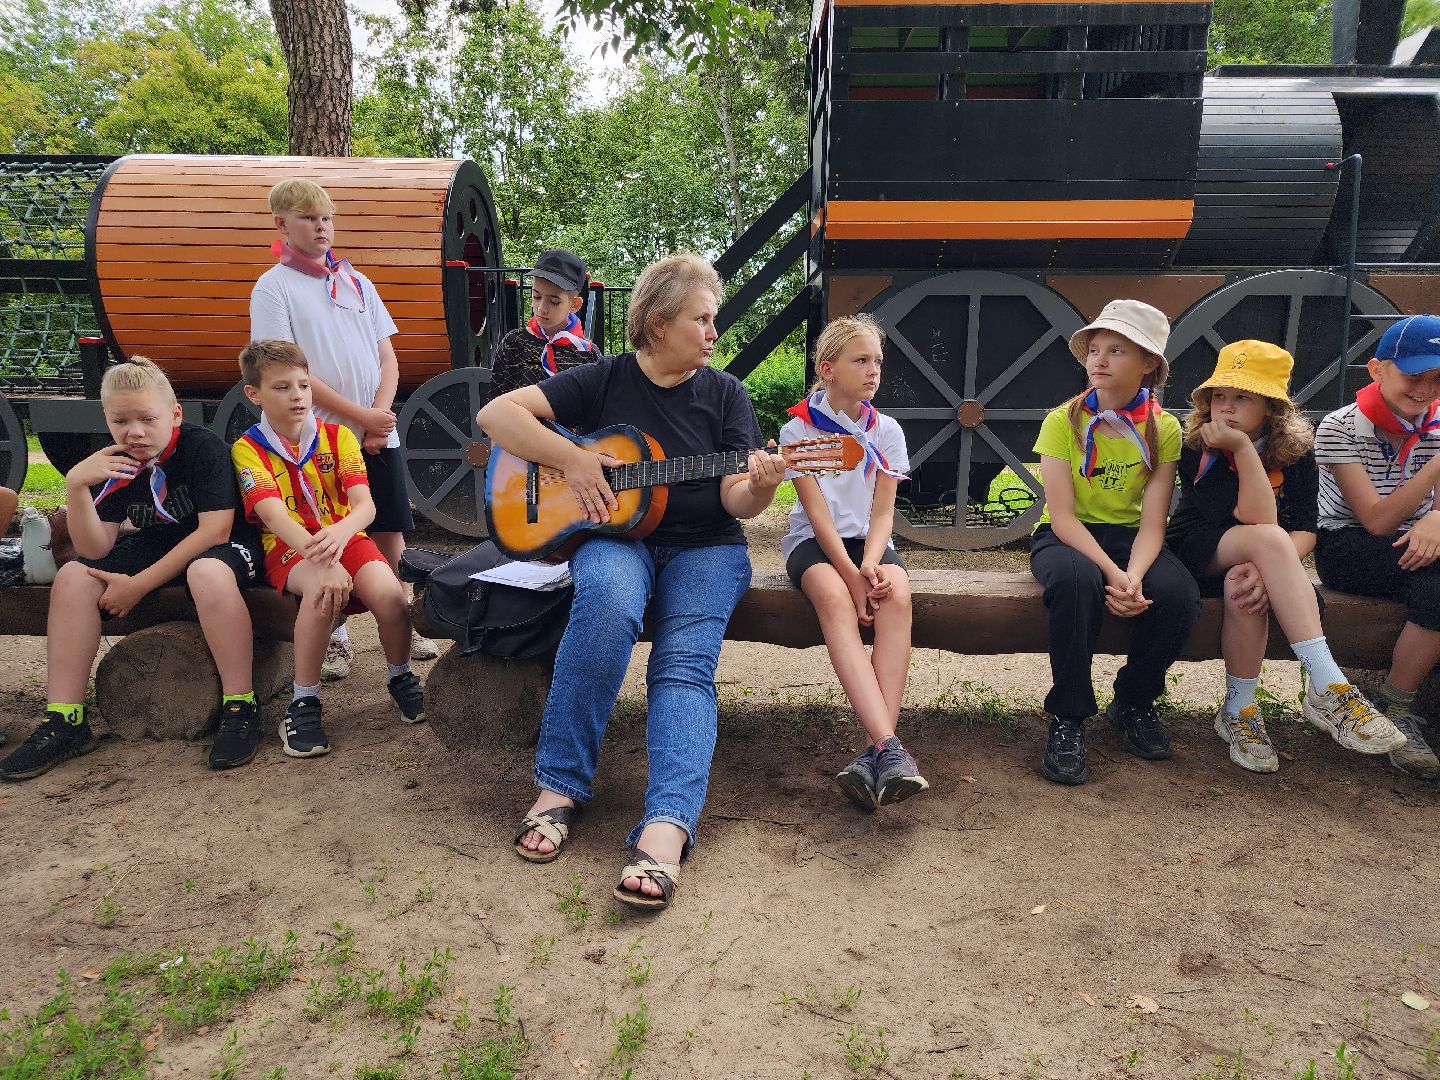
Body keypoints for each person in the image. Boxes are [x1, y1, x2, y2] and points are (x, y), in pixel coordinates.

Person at [477, 253, 785, 912]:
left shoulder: (725, 394)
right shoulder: (605, 378)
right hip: (618, 540)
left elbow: (735, 501)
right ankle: (560, 787)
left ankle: (667, 826)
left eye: (713, 320)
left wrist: (760, 487)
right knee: (604, 610)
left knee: (683, 663)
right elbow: (498, 418)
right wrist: (575, 461)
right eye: (701, 319)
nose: (713, 333)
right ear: (660, 322)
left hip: (707, 548)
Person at [0, 359, 265, 780]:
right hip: (161, 544)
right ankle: (66, 720)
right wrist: (76, 487)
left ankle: (241, 706)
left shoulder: (202, 448)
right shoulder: (117, 461)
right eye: (120, 421)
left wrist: (137, 585)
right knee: (73, 577)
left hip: (223, 543)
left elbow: (215, 530)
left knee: (206, 573)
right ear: (107, 419)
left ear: (175, 413)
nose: (134, 432)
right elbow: (94, 547)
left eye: (147, 419)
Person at [1167, 341, 1402, 773]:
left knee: (1245, 585)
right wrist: (1239, 448)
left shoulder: (1296, 450)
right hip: (1198, 552)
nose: (1227, 408)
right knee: (1265, 541)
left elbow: (1305, 530)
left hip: (1253, 560)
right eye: (1220, 396)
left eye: (1243, 397)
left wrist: (1266, 570)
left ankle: (1239, 711)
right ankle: (1330, 685)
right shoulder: (1199, 446)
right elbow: (1254, 518)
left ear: (1271, 408)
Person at [250, 178, 437, 680]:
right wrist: (358, 418)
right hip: (319, 437)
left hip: (379, 431)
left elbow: (386, 355)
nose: (321, 227)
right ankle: (335, 632)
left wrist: (379, 416)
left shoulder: (357, 280)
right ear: (282, 225)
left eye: (327, 218)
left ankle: (400, 616)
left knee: (389, 528)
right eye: (308, 218)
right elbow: (289, 369)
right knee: (324, 526)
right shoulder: (273, 287)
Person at [1029, 299, 1201, 785]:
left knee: (1179, 595)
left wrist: (1135, 576)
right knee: (1076, 581)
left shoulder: (1163, 428)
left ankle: (1134, 701)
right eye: (1095, 350)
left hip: (1132, 540)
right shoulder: (1062, 421)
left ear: (1149, 364)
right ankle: (1069, 716)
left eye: (1117, 351)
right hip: (1067, 539)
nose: (1099, 360)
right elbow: (1061, 516)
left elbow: (1153, 523)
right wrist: (1113, 574)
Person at [231, 340, 424, 759]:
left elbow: (365, 506)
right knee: (322, 593)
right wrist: (324, 558)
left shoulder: (338, 437)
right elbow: (272, 516)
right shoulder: (248, 447)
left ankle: (400, 676)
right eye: (282, 388)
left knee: (391, 594)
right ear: (254, 394)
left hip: (345, 537)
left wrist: (340, 537)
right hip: (290, 548)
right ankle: (303, 700)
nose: (297, 395)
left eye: (303, 385)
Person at [777, 314, 926, 809]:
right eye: (861, 360)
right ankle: (890, 746)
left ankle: (873, 755)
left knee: (899, 596)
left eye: (877, 361)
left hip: (868, 542)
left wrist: (872, 563)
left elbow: (884, 511)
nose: (873, 371)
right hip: (815, 546)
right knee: (836, 601)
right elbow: (817, 514)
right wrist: (851, 573)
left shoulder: (887, 431)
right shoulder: (797, 427)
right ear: (828, 368)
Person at [1312, 315, 1440, 779]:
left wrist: (1437, 518)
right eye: (1413, 376)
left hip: (1424, 545)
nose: (1425, 391)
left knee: (1435, 587)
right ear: (1377, 370)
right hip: (1349, 545)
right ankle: (1398, 707)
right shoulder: (1339, 427)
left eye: (1437, 379)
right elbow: (1377, 519)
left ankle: (1396, 705)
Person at [486, 249, 599, 401]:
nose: (541, 308)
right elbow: (494, 401)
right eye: (536, 296)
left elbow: (594, 410)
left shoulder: (586, 353)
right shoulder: (513, 342)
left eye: (554, 302)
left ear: (575, 304)